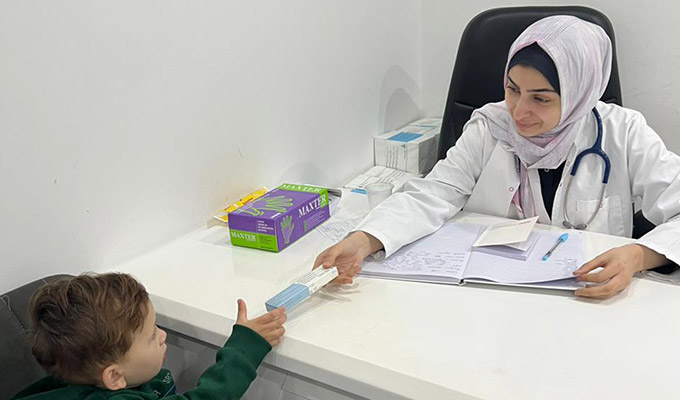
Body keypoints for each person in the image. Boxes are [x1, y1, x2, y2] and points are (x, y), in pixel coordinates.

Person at [314, 15, 680, 300]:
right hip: (491, 299)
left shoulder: (624, 132)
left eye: (541, 98)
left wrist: (640, 255)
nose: (519, 111)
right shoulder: (491, 126)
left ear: (579, 94)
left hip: (588, 297)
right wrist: (364, 239)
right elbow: (434, 193)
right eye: (512, 88)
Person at [11, 272, 286, 399]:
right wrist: (245, 347)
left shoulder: (82, 371)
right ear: (115, 377)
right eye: (151, 335)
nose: (163, 336)